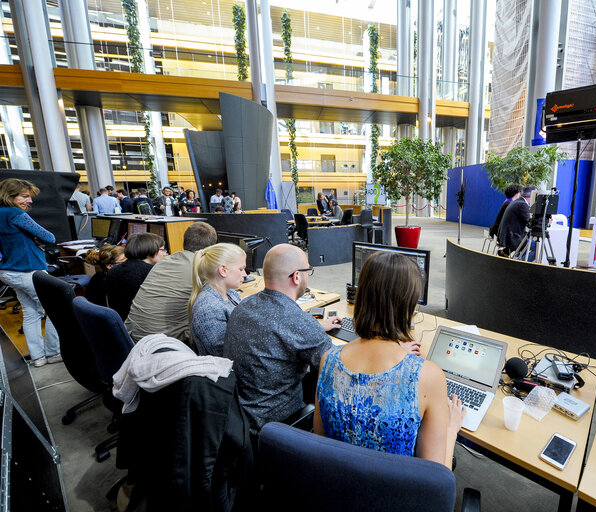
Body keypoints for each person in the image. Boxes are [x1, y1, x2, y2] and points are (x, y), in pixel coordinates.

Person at [314, 251, 465, 468]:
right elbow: (437, 478)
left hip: (334, 491)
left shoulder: (328, 360)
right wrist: (451, 430)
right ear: (410, 305)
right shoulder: (427, 375)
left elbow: (319, 442)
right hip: (394, 500)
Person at [223, 244, 343, 435]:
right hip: (278, 425)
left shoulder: (244, 306)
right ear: (296, 276)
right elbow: (340, 368)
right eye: (307, 271)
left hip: (241, 418)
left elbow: (278, 330)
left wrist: (315, 327)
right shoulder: (298, 322)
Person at [0, 178, 61, 368]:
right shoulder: (16, 214)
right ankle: (53, 352)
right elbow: (49, 237)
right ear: (10, 196)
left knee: (31, 313)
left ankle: (38, 357)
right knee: (55, 309)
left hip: (9, 271)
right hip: (29, 271)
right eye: (24, 196)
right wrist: (36, 237)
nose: (30, 201)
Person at [125, 222, 218, 344]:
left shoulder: (165, 261)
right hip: (159, 346)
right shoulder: (201, 269)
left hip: (131, 337)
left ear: (183, 243)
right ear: (211, 249)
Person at [188, 243, 246, 357]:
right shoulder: (208, 308)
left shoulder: (230, 293)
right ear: (223, 270)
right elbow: (223, 354)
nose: (245, 274)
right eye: (241, 269)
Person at [105, 232, 166, 320]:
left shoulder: (113, 270)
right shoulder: (152, 273)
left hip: (122, 321)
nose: (164, 254)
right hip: (142, 325)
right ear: (149, 251)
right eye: (162, 250)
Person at [498, 184, 536, 257]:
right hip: (512, 237)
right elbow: (530, 224)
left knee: (526, 239)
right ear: (533, 195)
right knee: (538, 247)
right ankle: (521, 262)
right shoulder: (523, 205)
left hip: (508, 235)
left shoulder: (518, 202)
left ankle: (508, 253)